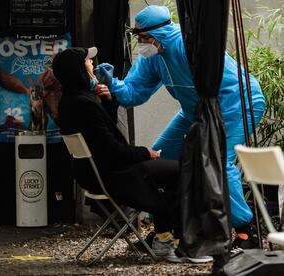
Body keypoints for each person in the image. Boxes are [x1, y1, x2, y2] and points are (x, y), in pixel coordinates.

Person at [95, 5, 265, 249]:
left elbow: (222, 84)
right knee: (161, 156)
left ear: (159, 35)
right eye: (138, 37)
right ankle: (165, 233)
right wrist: (112, 83)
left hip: (237, 102)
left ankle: (245, 233)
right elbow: (133, 94)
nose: (140, 43)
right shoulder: (152, 57)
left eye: (143, 37)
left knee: (220, 162)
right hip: (195, 109)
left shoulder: (189, 46)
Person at [52, 46, 212, 263]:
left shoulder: (71, 102)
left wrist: (108, 102)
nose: (92, 64)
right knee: (186, 172)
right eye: (87, 62)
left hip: (95, 174)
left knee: (171, 175)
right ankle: (184, 246)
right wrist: (145, 153)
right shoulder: (84, 104)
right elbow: (113, 151)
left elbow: (101, 138)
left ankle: (165, 239)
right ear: (78, 69)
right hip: (116, 175)